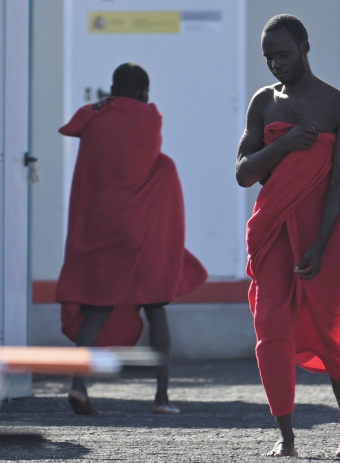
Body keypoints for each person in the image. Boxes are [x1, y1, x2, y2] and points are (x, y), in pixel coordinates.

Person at [236, 14, 340, 458]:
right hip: (272, 231)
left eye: (283, 54)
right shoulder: (263, 102)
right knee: (271, 327)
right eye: (268, 57)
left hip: (322, 233)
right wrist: (283, 145)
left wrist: (322, 240)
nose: (275, 64)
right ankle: (286, 436)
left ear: (305, 48)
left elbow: (339, 181)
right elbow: (244, 174)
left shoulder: (339, 106)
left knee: (331, 328)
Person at [56, 62, 208, 416]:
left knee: (95, 308)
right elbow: (145, 160)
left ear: (112, 89)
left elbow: (73, 128)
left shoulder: (93, 118)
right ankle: (161, 399)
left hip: (101, 229)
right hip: (143, 234)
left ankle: (78, 386)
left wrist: (101, 106)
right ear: (143, 93)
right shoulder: (149, 117)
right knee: (156, 309)